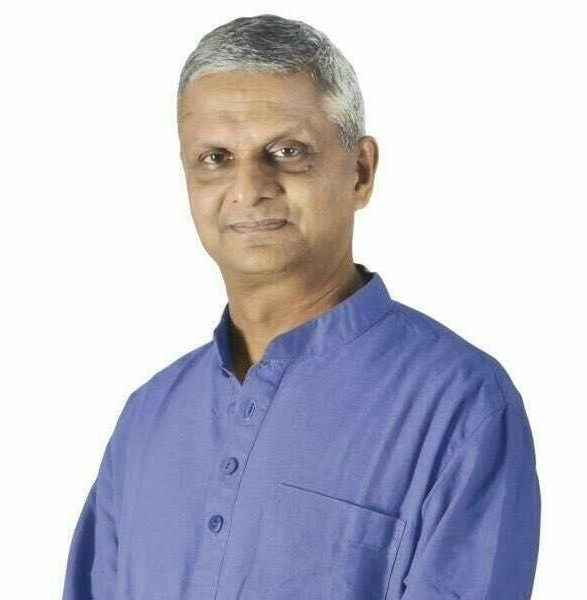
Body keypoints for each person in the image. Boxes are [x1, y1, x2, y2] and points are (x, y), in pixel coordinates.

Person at [61, 13, 541, 600]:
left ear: (360, 171)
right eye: (215, 158)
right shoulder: (148, 417)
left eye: (287, 151)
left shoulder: (459, 405)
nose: (248, 188)